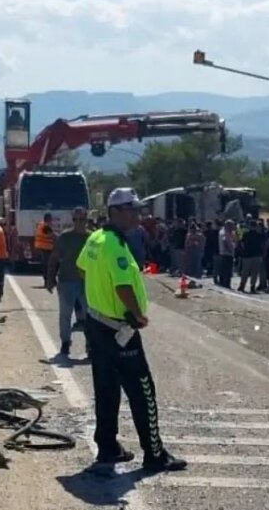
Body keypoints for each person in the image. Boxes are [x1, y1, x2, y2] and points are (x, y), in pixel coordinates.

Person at [78, 188, 187, 472]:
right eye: (132, 210)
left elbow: (82, 268)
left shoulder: (96, 238)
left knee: (106, 388)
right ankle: (154, 453)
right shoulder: (114, 245)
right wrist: (137, 315)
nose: (138, 215)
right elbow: (123, 285)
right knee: (142, 390)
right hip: (119, 327)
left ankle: (107, 447)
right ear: (115, 212)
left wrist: (98, 293)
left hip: (97, 323)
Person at [46, 207, 91, 357]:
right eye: (75, 219)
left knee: (90, 316)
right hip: (66, 281)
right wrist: (50, 278)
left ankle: (90, 345)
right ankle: (65, 342)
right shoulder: (65, 237)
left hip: (87, 283)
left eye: (81, 219)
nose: (79, 222)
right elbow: (54, 258)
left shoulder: (92, 238)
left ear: (86, 219)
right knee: (65, 314)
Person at [238, 219, 265, 294]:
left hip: (247, 255)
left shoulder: (246, 234)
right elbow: (263, 244)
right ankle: (252, 286)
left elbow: (242, 244)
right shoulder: (259, 235)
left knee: (245, 271)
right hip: (257, 255)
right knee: (254, 272)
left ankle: (242, 285)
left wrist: (244, 250)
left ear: (249, 226)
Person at [216, 219, 236, 289]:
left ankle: (226, 283)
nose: (232, 227)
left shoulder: (231, 232)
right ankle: (224, 284)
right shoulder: (224, 232)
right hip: (225, 254)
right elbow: (225, 242)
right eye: (231, 226)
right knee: (225, 270)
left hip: (230, 254)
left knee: (228, 270)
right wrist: (230, 249)